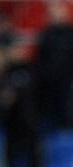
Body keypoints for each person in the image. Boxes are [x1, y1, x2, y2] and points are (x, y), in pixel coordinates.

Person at [35, 0, 73, 130]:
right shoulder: (47, 33)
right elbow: (41, 57)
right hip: (48, 80)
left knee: (65, 109)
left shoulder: (70, 33)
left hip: (66, 80)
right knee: (48, 110)